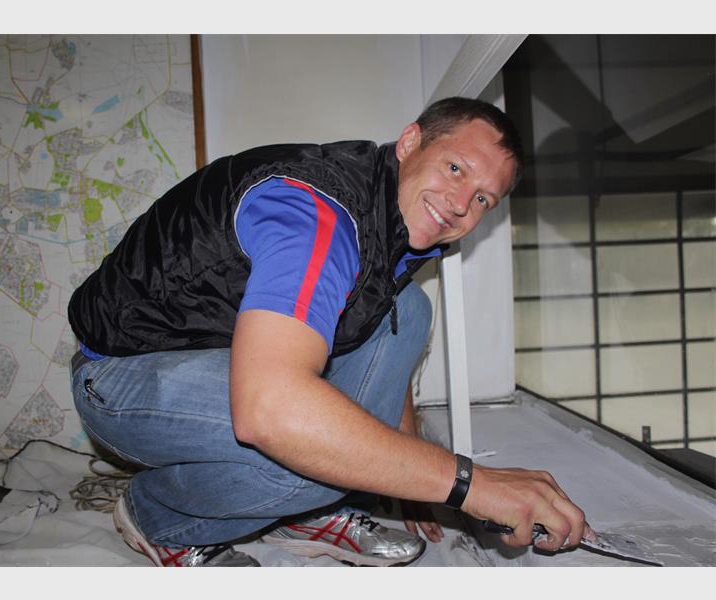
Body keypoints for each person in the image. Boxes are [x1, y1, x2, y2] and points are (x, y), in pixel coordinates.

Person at [67, 97, 591, 567]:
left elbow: (384, 337)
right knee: (310, 458)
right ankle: (156, 515)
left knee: (407, 309)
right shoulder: (318, 217)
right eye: (455, 168)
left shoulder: (394, 215)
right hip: (120, 372)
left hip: (218, 352)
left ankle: (304, 515)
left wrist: (412, 472)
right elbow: (272, 412)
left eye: (482, 200)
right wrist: (466, 484)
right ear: (410, 142)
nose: (460, 204)